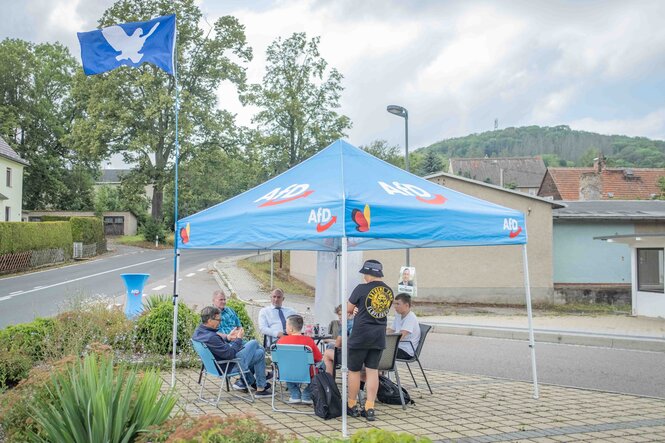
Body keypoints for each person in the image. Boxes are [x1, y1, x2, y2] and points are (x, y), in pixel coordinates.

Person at [346, 259, 394, 421]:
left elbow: (348, 309)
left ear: (369, 273)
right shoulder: (389, 291)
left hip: (360, 336)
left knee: (354, 371)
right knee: (373, 371)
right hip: (378, 336)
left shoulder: (361, 289)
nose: (364, 277)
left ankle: (352, 406)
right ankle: (369, 407)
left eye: (364, 274)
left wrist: (355, 310)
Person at [192, 306, 272, 397]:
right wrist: (239, 339)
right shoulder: (212, 337)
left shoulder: (198, 332)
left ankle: (260, 388)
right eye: (219, 320)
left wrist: (228, 337)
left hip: (213, 366)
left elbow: (216, 338)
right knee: (254, 343)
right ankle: (251, 380)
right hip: (229, 365)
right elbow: (230, 354)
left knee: (259, 353)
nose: (220, 322)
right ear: (210, 320)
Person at [276, 314, 323, 405]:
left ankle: (295, 394)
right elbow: (318, 358)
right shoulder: (309, 341)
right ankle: (307, 395)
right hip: (306, 373)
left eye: (286, 325)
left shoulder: (281, 341)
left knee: (285, 367)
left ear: (291, 328)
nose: (285, 327)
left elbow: (277, 359)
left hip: (286, 373)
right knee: (321, 366)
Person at [387, 293, 421, 359]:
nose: (395, 306)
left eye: (398, 304)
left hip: (406, 351)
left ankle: (381, 368)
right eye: (394, 304)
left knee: (378, 351)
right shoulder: (398, 315)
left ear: (406, 305)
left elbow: (400, 336)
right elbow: (391, 330)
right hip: (398, 347)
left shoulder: (411, 317)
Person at [323, 304, 354, 375]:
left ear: (348, 313)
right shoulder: (359, 321)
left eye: (340, 314)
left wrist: (333, 342)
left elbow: (338, 345)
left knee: (327, 352)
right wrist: (331, 341)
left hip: (351, 357)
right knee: (330, 345)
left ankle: (329, 381)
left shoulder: (346, 324)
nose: (339, 317)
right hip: (364, 356)